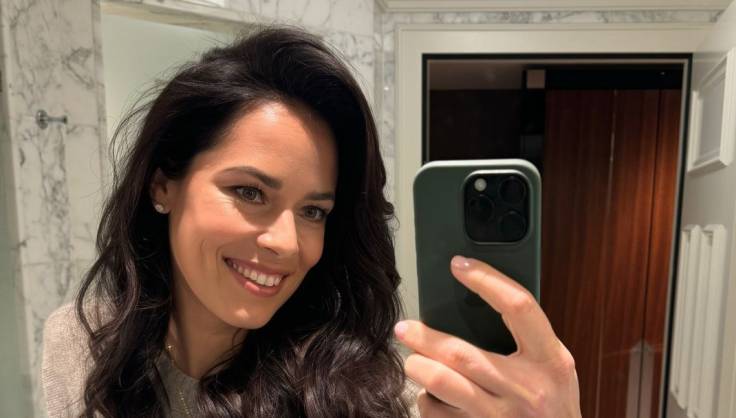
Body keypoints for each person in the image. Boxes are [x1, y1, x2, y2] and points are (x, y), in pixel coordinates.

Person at [41, 25, 581, 418]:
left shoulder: (364, 394)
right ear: (163, 185)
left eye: (313, 211)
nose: (287, 242)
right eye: (249, 192)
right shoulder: (81, 344)